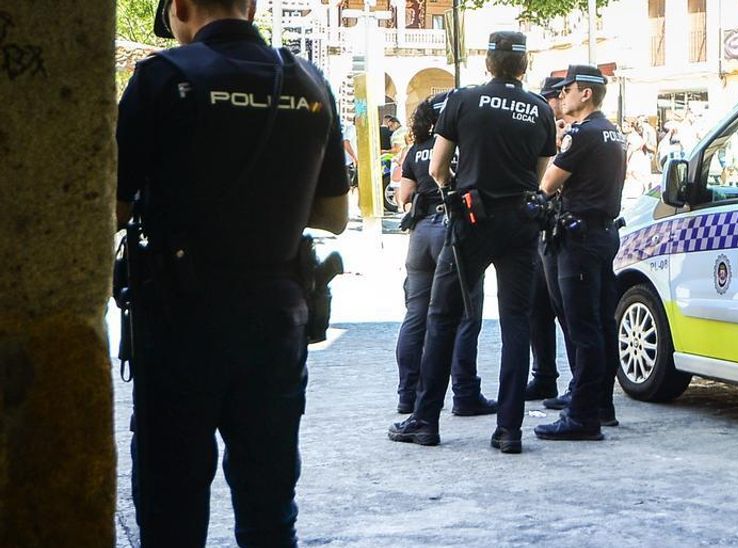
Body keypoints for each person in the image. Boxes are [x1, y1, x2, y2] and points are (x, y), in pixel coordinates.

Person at [117, 0, 348, 544]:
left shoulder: (162, 76)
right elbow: (335, 217)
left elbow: (116, 208)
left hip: (179, 317)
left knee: (171, 496)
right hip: (278, 315)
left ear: (180, 9)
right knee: (269, 499)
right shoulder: (309, 81)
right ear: (249, 7)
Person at [387, 30, 555, 454]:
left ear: (487, 62)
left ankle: (425, 421)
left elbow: (439, 167)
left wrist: (456, 189)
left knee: (443, 317)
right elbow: (540, 176)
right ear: (524, 66)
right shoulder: (539, 109)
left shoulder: (463, 100)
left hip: (470, 219)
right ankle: (509, 430)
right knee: (516, 321)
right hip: (520, 221)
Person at [534, 64, 627, 441]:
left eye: (567, 89)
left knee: (582, 328)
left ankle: (583, 415)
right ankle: (600, 406)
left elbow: (548, 183)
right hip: (601, 234)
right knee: (602, 325)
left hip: (579, 237)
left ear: (585, 93)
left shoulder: (583, 134)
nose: (562, 96)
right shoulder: (612, 132)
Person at [392, 92, 498, 417]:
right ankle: (465, 393)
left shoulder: (416, 150)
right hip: (450, 230)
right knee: (466, 315)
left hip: (420, 233)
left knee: (416, 315)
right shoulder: (460, 147)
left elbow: (403, 195)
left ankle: (407, 394)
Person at [526, 75, 577, 402]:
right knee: (538, 306)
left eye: (552, 99)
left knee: (568, 310)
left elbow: (547, 181)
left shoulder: (574, 134)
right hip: (545, 229)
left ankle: (578, 384)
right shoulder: (549, 129)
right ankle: (543, 375)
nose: (547, 106)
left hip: (565, 230)